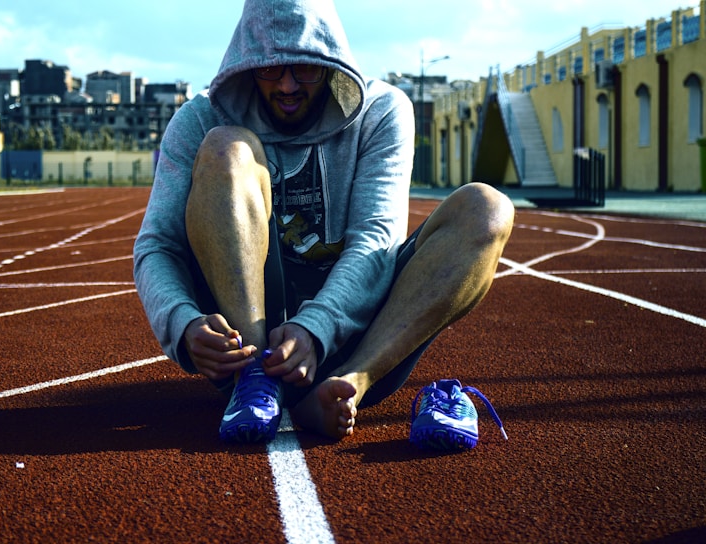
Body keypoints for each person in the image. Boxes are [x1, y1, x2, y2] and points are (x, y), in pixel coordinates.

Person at [133, 0, 515, 449]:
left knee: (486, 209)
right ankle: (260, 382)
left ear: (330, 59)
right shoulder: (200, 118)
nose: (289, 85)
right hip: (241, 350)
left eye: (307, 69)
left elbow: (377, 238)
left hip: (355, 341)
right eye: (271, 70)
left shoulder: (383, 111)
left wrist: (316, 329)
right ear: (246, 63)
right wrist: (183, 323)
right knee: (226, 148)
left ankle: (350, 386)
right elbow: (156, 245)